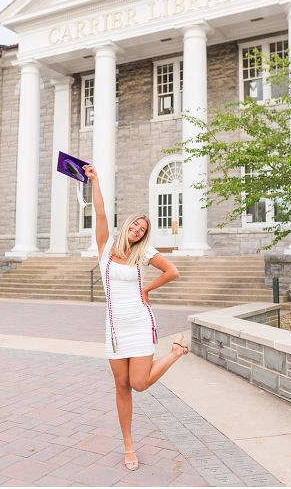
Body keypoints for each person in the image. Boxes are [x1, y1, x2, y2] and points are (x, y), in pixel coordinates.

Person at [82, 163, 187, 472]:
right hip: (114, 329)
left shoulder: (145, 252)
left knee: (139, 383)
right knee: (122, 387)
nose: (138, 230)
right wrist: (95, 181)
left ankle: (176, 353)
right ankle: (129, 444)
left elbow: (173, 271)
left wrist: (148, 289)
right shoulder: (105, 249)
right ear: (127, 224)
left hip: (140, 323)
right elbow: (101, 215)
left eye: (143, 229)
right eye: (136, 225)